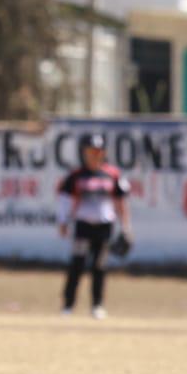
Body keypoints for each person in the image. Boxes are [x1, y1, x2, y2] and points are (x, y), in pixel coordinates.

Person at [55, 133, 131, 320]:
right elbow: (64, 200)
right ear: (84, 152)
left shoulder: (112, 174)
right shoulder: (76, 176)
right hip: (83, 224)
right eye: (91, 151)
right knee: (77, 265)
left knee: (99, 266)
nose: (95, 155)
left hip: (105, 226)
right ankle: (68, 304)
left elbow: (120, 202)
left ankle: (97, 305)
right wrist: (63, 221)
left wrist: (126, 227)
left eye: (98, 151)